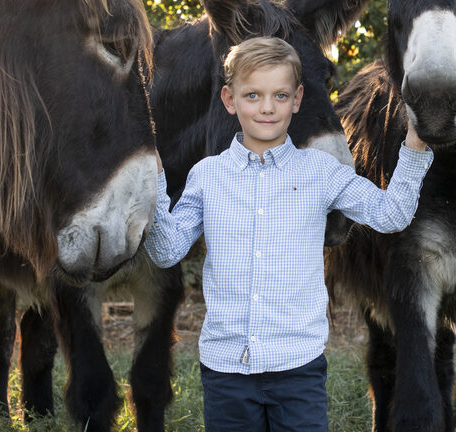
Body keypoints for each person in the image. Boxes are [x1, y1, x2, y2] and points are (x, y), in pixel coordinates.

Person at [145, 36, 432, 432]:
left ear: (297, 99)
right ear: (230, 100)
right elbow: (166, 250)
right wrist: (157, 184)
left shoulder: (321, 172)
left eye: (280, 95)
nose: (267, 107)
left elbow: (392, 214)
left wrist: (415, 146)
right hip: (226, 371)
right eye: (253, 95)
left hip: (297, 370)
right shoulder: (207, 177)